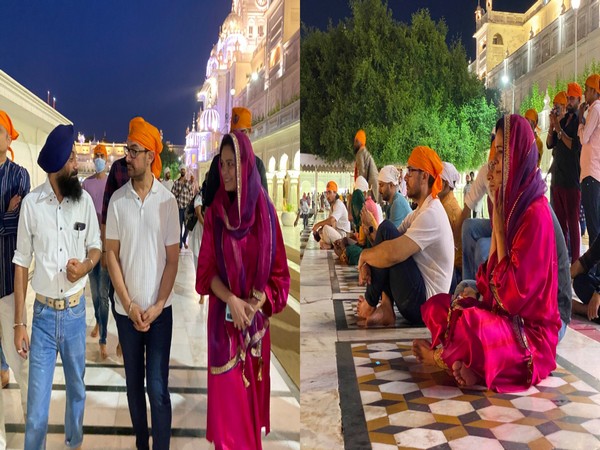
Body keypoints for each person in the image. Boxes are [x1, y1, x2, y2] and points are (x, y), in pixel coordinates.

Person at [413, 114, 560, 392]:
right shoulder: (513, 206)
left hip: (532, 334)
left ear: (519, 156)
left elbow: (513, 299)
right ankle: (474, 365)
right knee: (441, 306)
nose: (493, 165)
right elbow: (491, 276)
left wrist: (500, 226)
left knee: (472, 324)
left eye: (502, 153)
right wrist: (497, 215)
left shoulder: (536, 213)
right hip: (506, 315)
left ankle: (447, 357)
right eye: (495, 154)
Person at [196, 131, 290, 449]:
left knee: (247, 415)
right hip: (223, 327)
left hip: (255, 328)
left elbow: (279, 273)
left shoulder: (265, 214)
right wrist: (233, 300)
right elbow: (206, 272)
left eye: (231, 164)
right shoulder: (215, 215)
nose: (225, 172)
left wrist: (257, 300)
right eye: (221, 165)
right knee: (228, 418)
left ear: (246, 164)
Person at [13, 124, 101, 449]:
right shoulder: (32, 205)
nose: (77, 165)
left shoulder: (85, 203)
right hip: (44, 318)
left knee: (77, 391)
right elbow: (21, 263)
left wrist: (87, 267)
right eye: (72, 159)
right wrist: (19, 323)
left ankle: (72, 443)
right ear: (57, 165)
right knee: (36, 409)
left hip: (76, 316)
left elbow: (96, 246)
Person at [105, 117, 179, 450]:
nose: (127, 157)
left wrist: (158, 304)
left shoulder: (167, 202)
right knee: (134, 386)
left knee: (158, 388)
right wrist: (130, 304)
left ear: (150, 155)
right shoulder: (118, 200)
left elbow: (173, 259)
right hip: (127, 313)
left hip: (160, 314)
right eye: (127, 150)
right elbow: (111, 256)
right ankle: (141, 443)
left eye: (133, 151)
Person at [356, 146, 454, 326]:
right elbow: (387, 240)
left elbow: (393, 252)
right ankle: (385, 308)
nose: (405, 177)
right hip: (416, 297)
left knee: (386, 233)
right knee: (385, 233)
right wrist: (370, 236)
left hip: (425, 306)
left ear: (424, 176)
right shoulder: (421, 210)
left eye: (410, 171)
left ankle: (371, 304)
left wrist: (364, 257)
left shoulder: (431, 213)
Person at [0, 111, 30, 450]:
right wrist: (5, 215)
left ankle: (29, 415)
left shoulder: (19, 175)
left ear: (9, 139)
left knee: (18, 357)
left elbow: (19, 225)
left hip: (10, 285)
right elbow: (7, 221)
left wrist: (9, 217)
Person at [547, 87, 581, 263]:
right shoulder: (565, 120)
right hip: (558, 179)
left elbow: (573, 146)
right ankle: (561, 259)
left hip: (571, 179)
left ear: (579, 100)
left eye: (572, 99)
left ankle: (576, 261)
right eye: (568, 98)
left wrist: (559, 127)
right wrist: (553, 125)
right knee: (560, 224)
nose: (569, 102)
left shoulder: (577, 121)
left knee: (573, 223)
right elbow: (550, 144)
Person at [82, 144, 110, 359]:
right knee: (94, 294)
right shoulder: (86, 184)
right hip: (90, 247)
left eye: (102, 156)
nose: (99, 159)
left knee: (104, 294)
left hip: (107, 246)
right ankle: (100, 323)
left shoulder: (111, 184)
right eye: (97, 156)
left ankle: (103, 339)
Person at [578, 74, 600, 250]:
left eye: (586, 89)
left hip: (591, 174)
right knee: (595, 224)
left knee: (594, 227)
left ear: (594, 90)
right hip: (591, 174)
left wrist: (580, 120)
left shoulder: (596, 109)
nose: (585, 93)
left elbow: (584, 138)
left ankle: (594, 271)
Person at [439, 161, 463, 287]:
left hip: (454, 273)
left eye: (437, 180)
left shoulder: (447, 208)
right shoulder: (445, 204)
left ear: (445, 184)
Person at [312, 181, 351, 249]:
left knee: (326, 228)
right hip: (337, 233)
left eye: (329, 192)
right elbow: (330, 223)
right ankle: (332, 245)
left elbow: (331, 220)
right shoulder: (333, 205)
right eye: (327, 193)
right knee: (322, 231)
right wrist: (318, 231)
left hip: (343, 236)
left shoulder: (338, 204)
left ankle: (333, 245)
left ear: (335, 193)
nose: (327, 196)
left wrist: (317, 225)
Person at [171, 164, 194, 250]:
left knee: (188, 226)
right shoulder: (176, 183)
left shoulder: (188, 183)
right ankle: (180, 244)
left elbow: (191, 194)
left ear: (185, 171)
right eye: (182, 170)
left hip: (187, 208)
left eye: (184, 170)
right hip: (179, 208)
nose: (183, 171)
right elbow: (172, 194)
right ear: (180, 171)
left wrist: (191, 206)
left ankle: (184, 239)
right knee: (179, 227)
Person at [353, 129, 379, 202]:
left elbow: (361, 172)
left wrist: (359, 189)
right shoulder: (364, 151)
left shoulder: (360, 152)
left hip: (370, 187)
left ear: (361, 142)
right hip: (374, 185)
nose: (354, 144)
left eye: (356, 141)